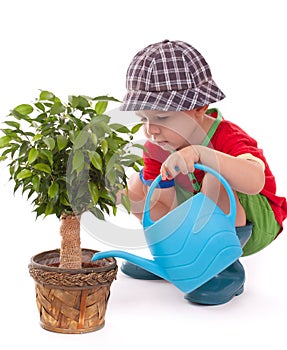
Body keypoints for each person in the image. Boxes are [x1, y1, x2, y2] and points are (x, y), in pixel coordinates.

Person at [118, 39, 287, 305]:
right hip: (197, 218)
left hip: (251, 222)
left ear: (199, 108)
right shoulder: (156, 147)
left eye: (161, 118)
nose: (151, 130)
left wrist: (202, 153)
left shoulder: (227, 136)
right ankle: (177, 258)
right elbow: (160, 201)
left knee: (213, 179)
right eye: (144, 118)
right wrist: (122, 196)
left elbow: (255, 181)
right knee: (138, 187)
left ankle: (223, 270)